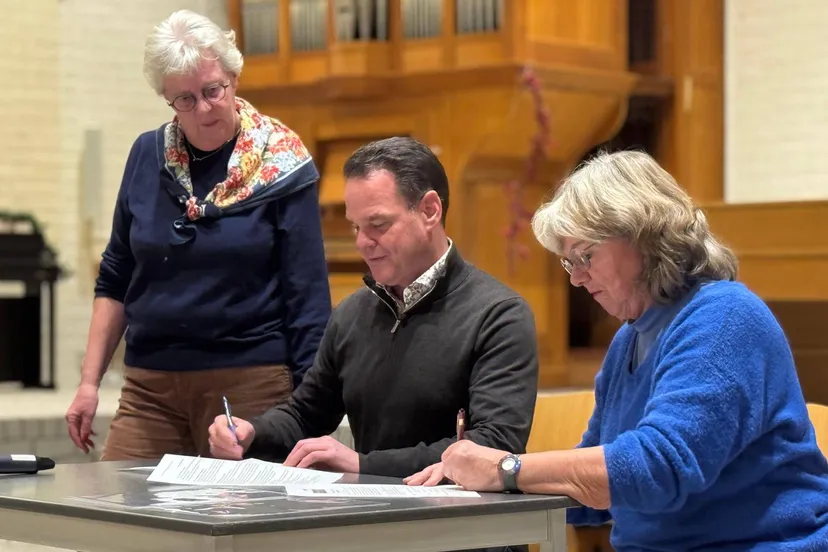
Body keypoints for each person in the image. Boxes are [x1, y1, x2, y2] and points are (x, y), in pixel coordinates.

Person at [409, 150, 828, 551]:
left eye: (585, 256)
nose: (577, 279)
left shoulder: (725, 319)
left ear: (643, 236)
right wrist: (471, 490)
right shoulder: (629, 338)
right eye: (569, 263)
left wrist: (507, 470)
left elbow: (657, 468)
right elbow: (602, 488)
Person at [64, 10, 331, 460]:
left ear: (234, 77)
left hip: (252, 383)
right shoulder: (147, 155)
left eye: (212, 91)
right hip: (151, 384)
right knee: (122, 517)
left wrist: (313, 409)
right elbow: (116, 276)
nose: (204, 109)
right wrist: (89, 383)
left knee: (246, 524)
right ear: (167, 99)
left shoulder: (282, 162)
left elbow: (306, 294)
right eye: (184, 100)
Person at [208, 136, 538, 480]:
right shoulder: (353, 313)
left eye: (378, 225)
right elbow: (306, 414)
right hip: (373, 516)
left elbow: (495, 443)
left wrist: (364, 465)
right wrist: (251, 434)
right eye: (356, 226)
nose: (362, 243)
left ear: (429, 210)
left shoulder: (499, 315)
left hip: (466, 523)